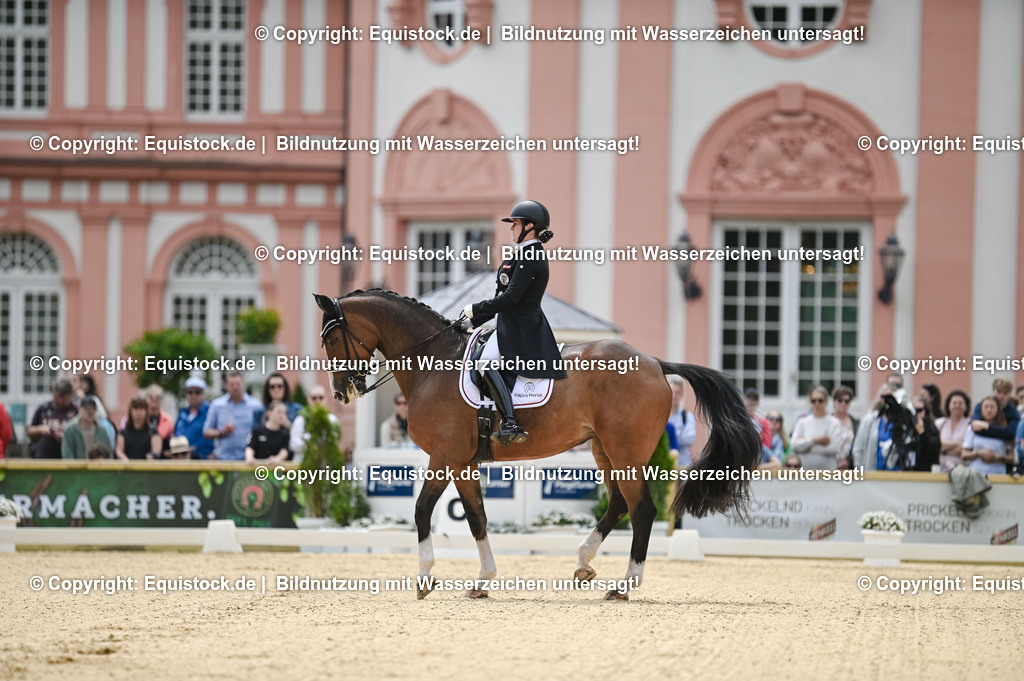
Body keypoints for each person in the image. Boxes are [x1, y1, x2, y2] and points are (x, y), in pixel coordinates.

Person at [462, 199, 567, 448]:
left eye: (515, 224)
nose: (511, 229)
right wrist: (473, 321)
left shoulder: (532, 255)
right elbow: (502, 300)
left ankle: (510, 422)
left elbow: (511, 299)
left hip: (523, 328)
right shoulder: (521, 254)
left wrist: (475, 308)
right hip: (509, 323)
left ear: (530, 226)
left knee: (484, 362)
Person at [203, 371, 262, 461]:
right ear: (225, 386)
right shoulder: (217, 405)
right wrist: (221, 433)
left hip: (248, 460)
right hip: (223, 459)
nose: (235, 387)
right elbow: (207, 432)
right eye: (231, 384)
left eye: (238, 384)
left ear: (243, 384)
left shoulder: (256, 405)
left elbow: (261, 432)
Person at [968, 379, 1020, 465]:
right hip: (979, 461)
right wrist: (1002, 433)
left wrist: (987, 426)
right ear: (993, 391)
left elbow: (1011, 433)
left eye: (1005, 393)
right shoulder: (980, 406)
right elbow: (975, 428)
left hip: (1002, 462)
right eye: (999, 392)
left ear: (1010, 394)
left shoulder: (1013, 413)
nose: (1001, 396)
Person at [791, 386, 844, 469]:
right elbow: (795, 445)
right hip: (807, 474)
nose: (817, 403)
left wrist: (807, 448)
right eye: (813, 401)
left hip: (828, 474)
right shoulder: (802, 422)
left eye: (820, 400)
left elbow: (834, 448)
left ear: (826, 401)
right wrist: (815, 440)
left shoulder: (835, 423)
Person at [961, 395, 1014, 476]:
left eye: (992, 407)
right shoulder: (973, 428)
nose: (989, 410)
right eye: (986, 407)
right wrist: (978, 453)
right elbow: (964, 454)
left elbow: (1011, 458)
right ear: (981, 409)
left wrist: (999, 457)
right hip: (976, 473)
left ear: (998, 409)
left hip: (998, 474)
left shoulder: (1004, 430)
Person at [27, 379, 79, 459]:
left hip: (67, 455)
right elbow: (30, 431)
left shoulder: (76, 410)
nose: (60, 401)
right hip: (44, 455)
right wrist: (40, 429)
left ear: (71, 395)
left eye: (64, 399)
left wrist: (66, 436)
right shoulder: (44, 408)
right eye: (57, 398)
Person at [290, 385, 338, 462]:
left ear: (325, 399)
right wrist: (311, 443)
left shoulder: (332, 420)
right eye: (314, 398)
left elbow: (334, 442)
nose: (317, 400)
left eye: (321, 397)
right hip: (303, 464)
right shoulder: (300, 419)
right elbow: (294, 444)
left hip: (325, 465)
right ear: (308, 399)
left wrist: (306, 439)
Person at [175, 376, 214, 459]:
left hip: (203, 459)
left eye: (197, 392)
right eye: (190, 392)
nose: (193, 395)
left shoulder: (210, 411)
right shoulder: (183, 412)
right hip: (182, 460)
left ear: (203, 393)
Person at [116, 395, 162, 461]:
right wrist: (125, 460)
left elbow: (157, 449)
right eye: (136, 408)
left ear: (146, 411)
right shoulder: (123, 433)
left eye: (142, 408)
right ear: (130, 411)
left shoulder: (153, 432)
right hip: (128, 468)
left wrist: (152, 455)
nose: (138, 412)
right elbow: (119, 450)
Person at [935, 389, 971, 472]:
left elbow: (968, 449)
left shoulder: (970, 425)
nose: (957, 405)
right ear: (948, 405)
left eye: (961, 403)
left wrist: (944, 450)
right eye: (954, 403)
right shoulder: (940, 423)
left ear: (966, 407)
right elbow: (935, 446)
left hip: (963, 470)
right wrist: (958, 443)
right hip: (940, 469)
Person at [665, 376, 697, 467]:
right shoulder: (659, 416)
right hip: (662, 468)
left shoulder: (687, 416)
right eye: (672, 392)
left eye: (677, 393)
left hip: (682, 466)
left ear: (681, 395)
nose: (674, 396)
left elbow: (690, 438)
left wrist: (671, 435)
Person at [910, 394, 941, 472]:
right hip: (908, 471)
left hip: (926, 472)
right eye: (913, 410)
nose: (916, 413)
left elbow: (935, 448)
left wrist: (922, 433)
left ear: (925, 411)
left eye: (919, 410)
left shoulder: (930, 427)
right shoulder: (906, 427)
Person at [832, 386, 857, 470]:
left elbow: (857, 446)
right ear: (834, 402)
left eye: (847, 401)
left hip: (849, 467)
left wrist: (848, 461)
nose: (843, 404)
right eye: (840, 400)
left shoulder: (855, 423)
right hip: (829, 465)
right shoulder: (827, 421)